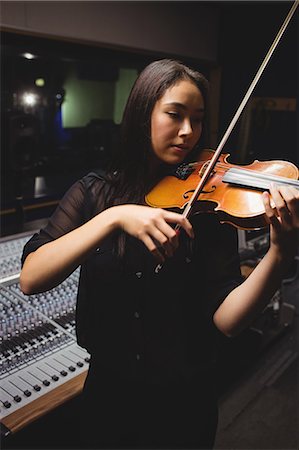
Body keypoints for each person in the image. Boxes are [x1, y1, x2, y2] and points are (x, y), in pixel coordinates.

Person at [20, 59, 299, 449]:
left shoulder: (208, 206)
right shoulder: (94, 193)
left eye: (198, 119)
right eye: (174, 114)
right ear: (141, 115)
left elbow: (227, 321)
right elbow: (32, 278)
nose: (188, 132)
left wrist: (280, 252)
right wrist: (113, 218)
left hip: (184, 406)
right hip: (107, 397)